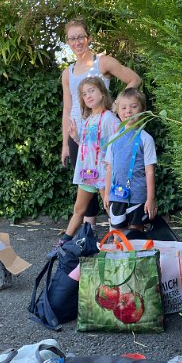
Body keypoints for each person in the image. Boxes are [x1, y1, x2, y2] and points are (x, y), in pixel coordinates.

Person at [61, 18, 141, 227]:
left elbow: (134, 79)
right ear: (68, 42)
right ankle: (88, 232)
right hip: (79, 137)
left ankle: (118, 228)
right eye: (72, 38)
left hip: (104, 136)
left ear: (88, 38)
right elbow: (67, 109)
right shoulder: (67, 73)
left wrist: (117, 104)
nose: (77, 42)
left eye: (80, 37)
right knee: (86, 183)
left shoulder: (103, 62)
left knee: (109, 184)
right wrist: (65, 144)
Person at [55, 77, 120, 247]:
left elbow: (118, 146)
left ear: (102, 92)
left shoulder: (110, 119)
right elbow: (88, 147)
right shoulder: (89, 118)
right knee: (79, 209)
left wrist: (110, 168)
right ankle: (64, 241)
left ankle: (118, 242)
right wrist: (76, 137)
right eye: (84, 94)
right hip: (88, 173)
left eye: (92, 91)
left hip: (103, 173)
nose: (88, 96)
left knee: (110, 209)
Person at [104, 88, 157, 233]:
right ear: (117, 110)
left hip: (138, 196)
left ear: (143, 110)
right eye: (123, 107)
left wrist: (150, 199)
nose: (128, 111)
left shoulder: (146, 139)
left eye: (133, 106)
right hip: (116, 195)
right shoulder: (113, 138)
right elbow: (109, 168)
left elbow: (150, 171)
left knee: (136, 234)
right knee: (117, 234)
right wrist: (107, 194)